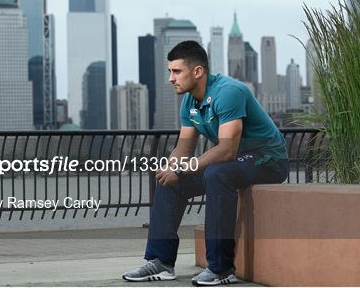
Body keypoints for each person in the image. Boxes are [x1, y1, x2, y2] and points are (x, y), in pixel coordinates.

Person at [122, 40, 289, 286]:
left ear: (198, 71)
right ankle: (161, 261)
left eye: (177, 71)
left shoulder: (229, 91)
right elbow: (184, 147)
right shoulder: (189, 103)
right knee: (169, 182)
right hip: (234, 162)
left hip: (268, 160)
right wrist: (170, 168)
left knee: (218, 174)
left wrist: (184, 168)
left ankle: (221, 269)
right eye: (170, 71)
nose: (171, 78)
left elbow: (227, 149)